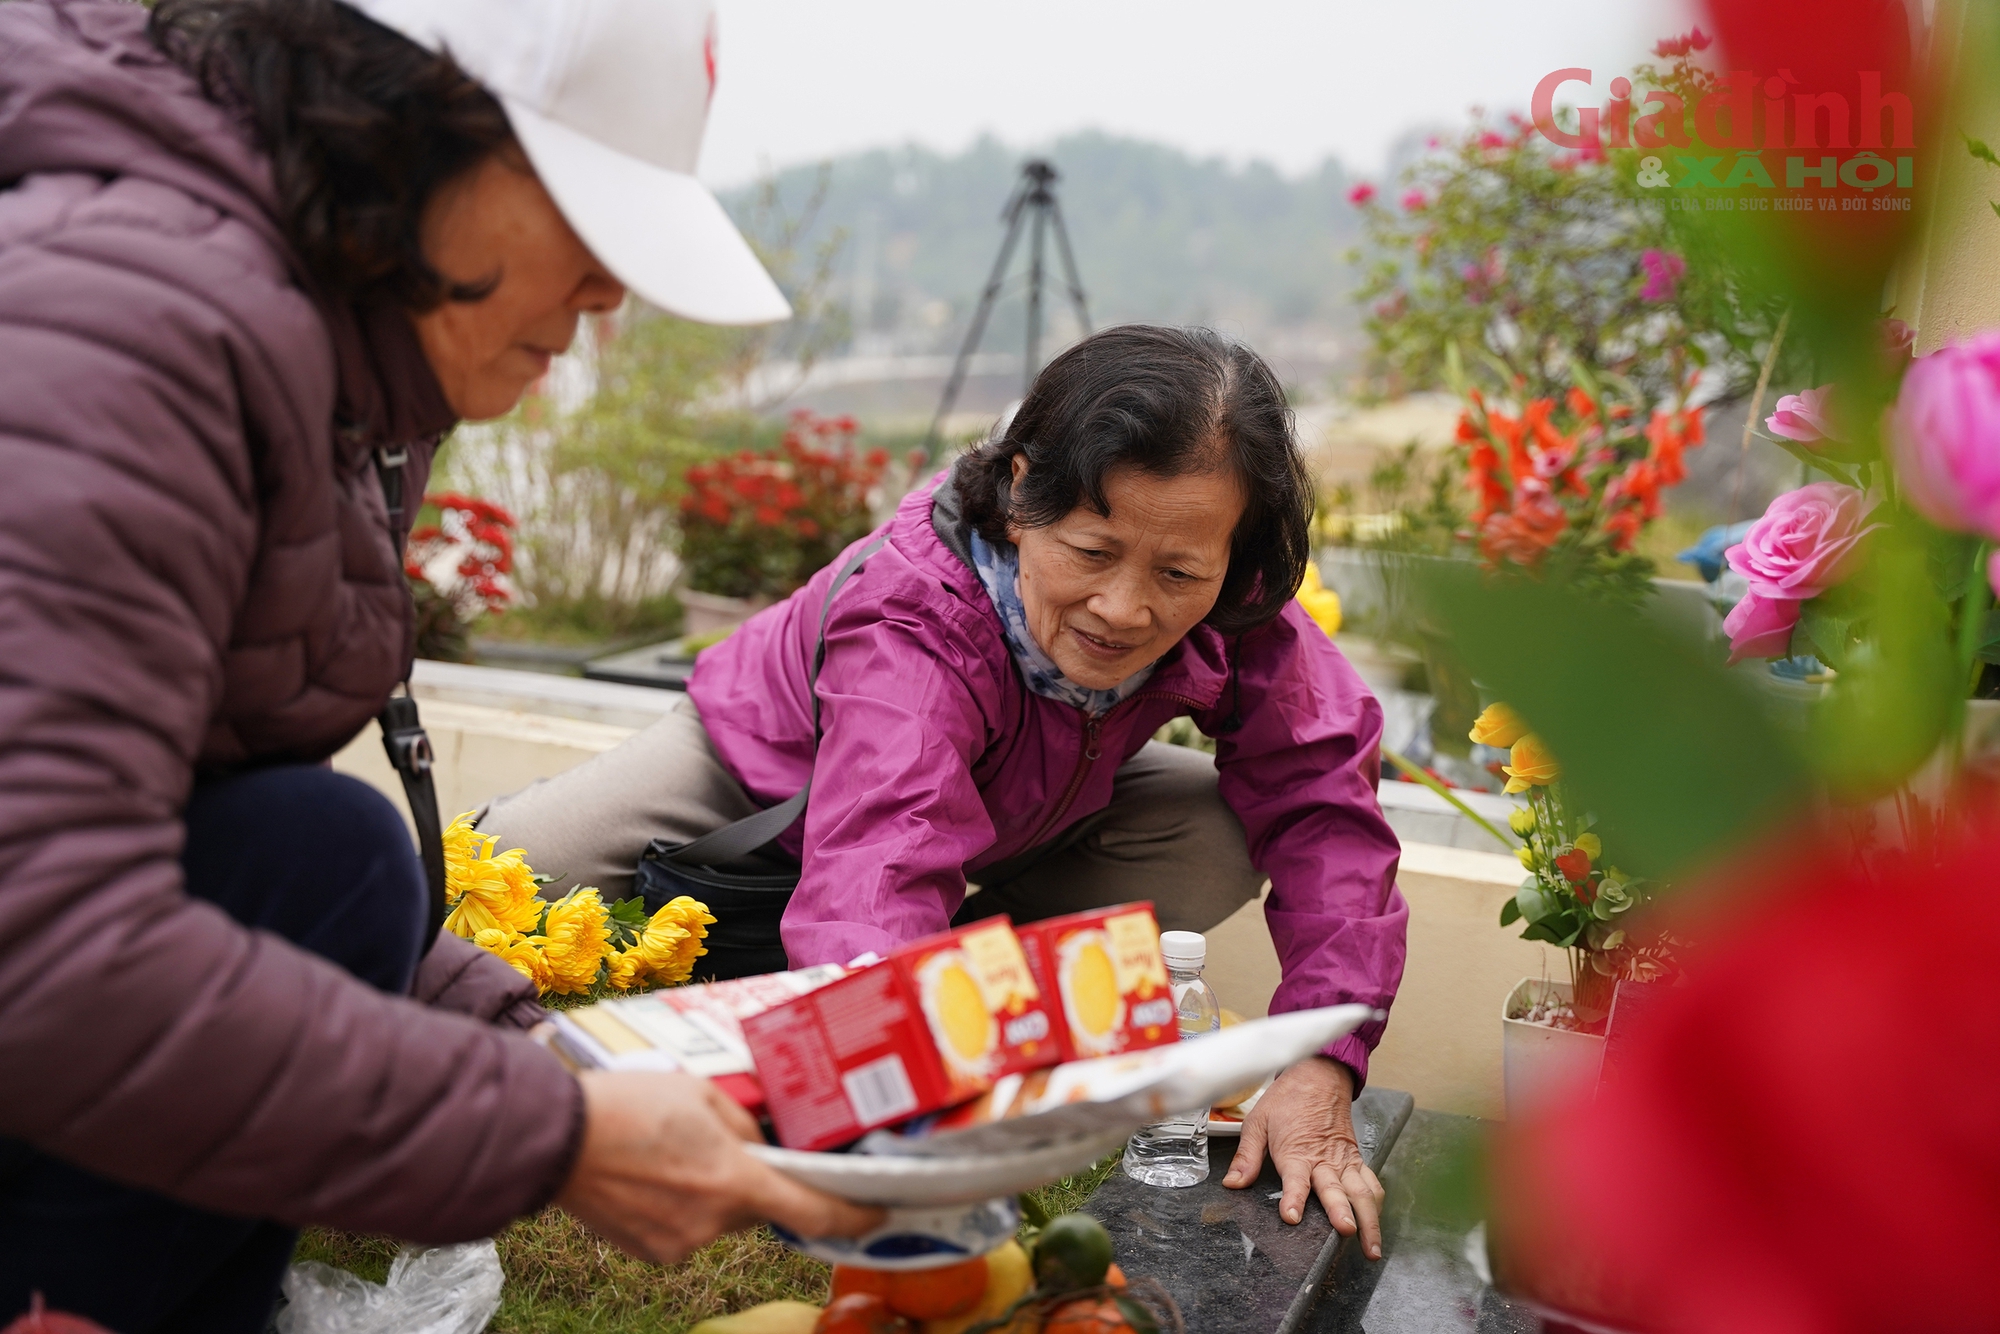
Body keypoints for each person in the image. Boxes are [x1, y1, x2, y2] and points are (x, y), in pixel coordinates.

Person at [0, 0, 875, 1327]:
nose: (607, 292)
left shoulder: (311, 342)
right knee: (322, 852)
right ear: (404, 134)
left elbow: (197, 840)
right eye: (589, 224)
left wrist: (533, 1048)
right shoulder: (125, 331)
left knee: (323, 855)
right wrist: (554, 1136)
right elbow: (43, 924)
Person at [482, 324, 1410, 1257]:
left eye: (1177, 574)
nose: (1127, 609)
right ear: (1019, 493)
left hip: (1024, 808)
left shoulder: (1238, 599)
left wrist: (1320, 1061)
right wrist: (888, 1130)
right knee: (505, 876)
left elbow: (1325, 808)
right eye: (1092, 552)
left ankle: (960, 1002)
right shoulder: (915, 615)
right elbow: (881, 863)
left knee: (1211, 834)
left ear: (1230, 557)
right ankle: (852, 1001)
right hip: (760, 771)